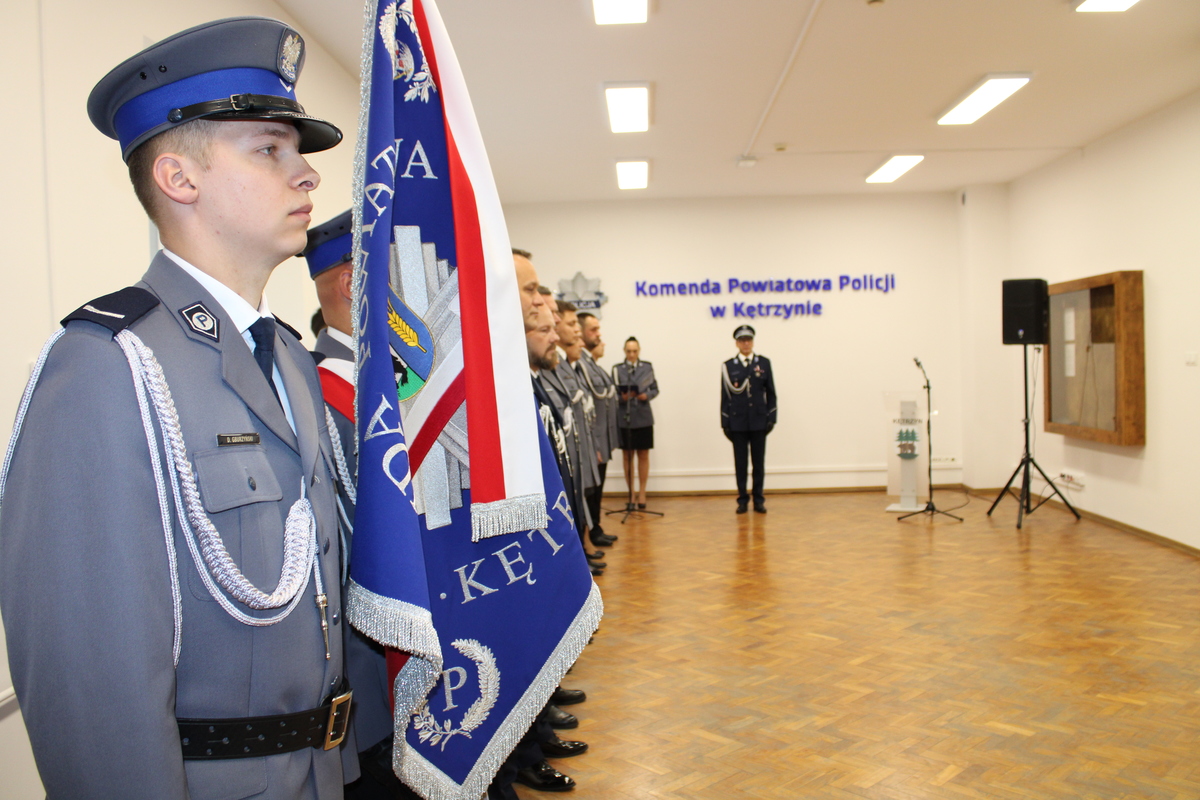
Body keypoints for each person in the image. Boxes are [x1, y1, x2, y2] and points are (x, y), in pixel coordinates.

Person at [0, 17, 353, 799]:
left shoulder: (290, 358)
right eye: (270, 149)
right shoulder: (105, 368)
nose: (307, 176)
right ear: (178, 179)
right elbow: (91, 685)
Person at [303, 211, 421, 800]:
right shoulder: (313, 394)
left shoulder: (400, 381)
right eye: (399, 274)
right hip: (378, 686)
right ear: (356, 282)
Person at [721, 324, 778, 514]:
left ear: (752, 341)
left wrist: (772, 417)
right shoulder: (729, 366)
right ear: (737, 343)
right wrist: (725, 422)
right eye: (742, 340)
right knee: (740, 463)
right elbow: (725, 396)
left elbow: (771, 393)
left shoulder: (764, 363)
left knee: (758, 463)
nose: (746, 343)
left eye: (749, 340)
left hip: (759, 421)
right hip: (737, 422)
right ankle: (742, 500)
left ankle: (759, 499)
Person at [576, 312, 618, 547]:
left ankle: (596, 528)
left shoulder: (590, 364)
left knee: (597, 488)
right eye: (593, 329)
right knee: (590, 491)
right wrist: (597, 444)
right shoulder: (581, 365)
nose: (598, 334)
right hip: (595, 440)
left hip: (602, 438)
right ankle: (592, 532)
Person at [612, 337, 658, 509]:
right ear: (625, 351)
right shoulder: (617, 369)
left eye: (635, 351)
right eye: (629, 351)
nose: (632, 354)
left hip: (644, 416)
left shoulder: (647, 367)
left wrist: (647, 396)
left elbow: (655, 389)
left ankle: (642, 492)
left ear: (639, 351)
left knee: (643, 455)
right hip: (625, 417)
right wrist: (622, 398)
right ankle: (631, 492)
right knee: (627, 456)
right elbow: (613, 393)